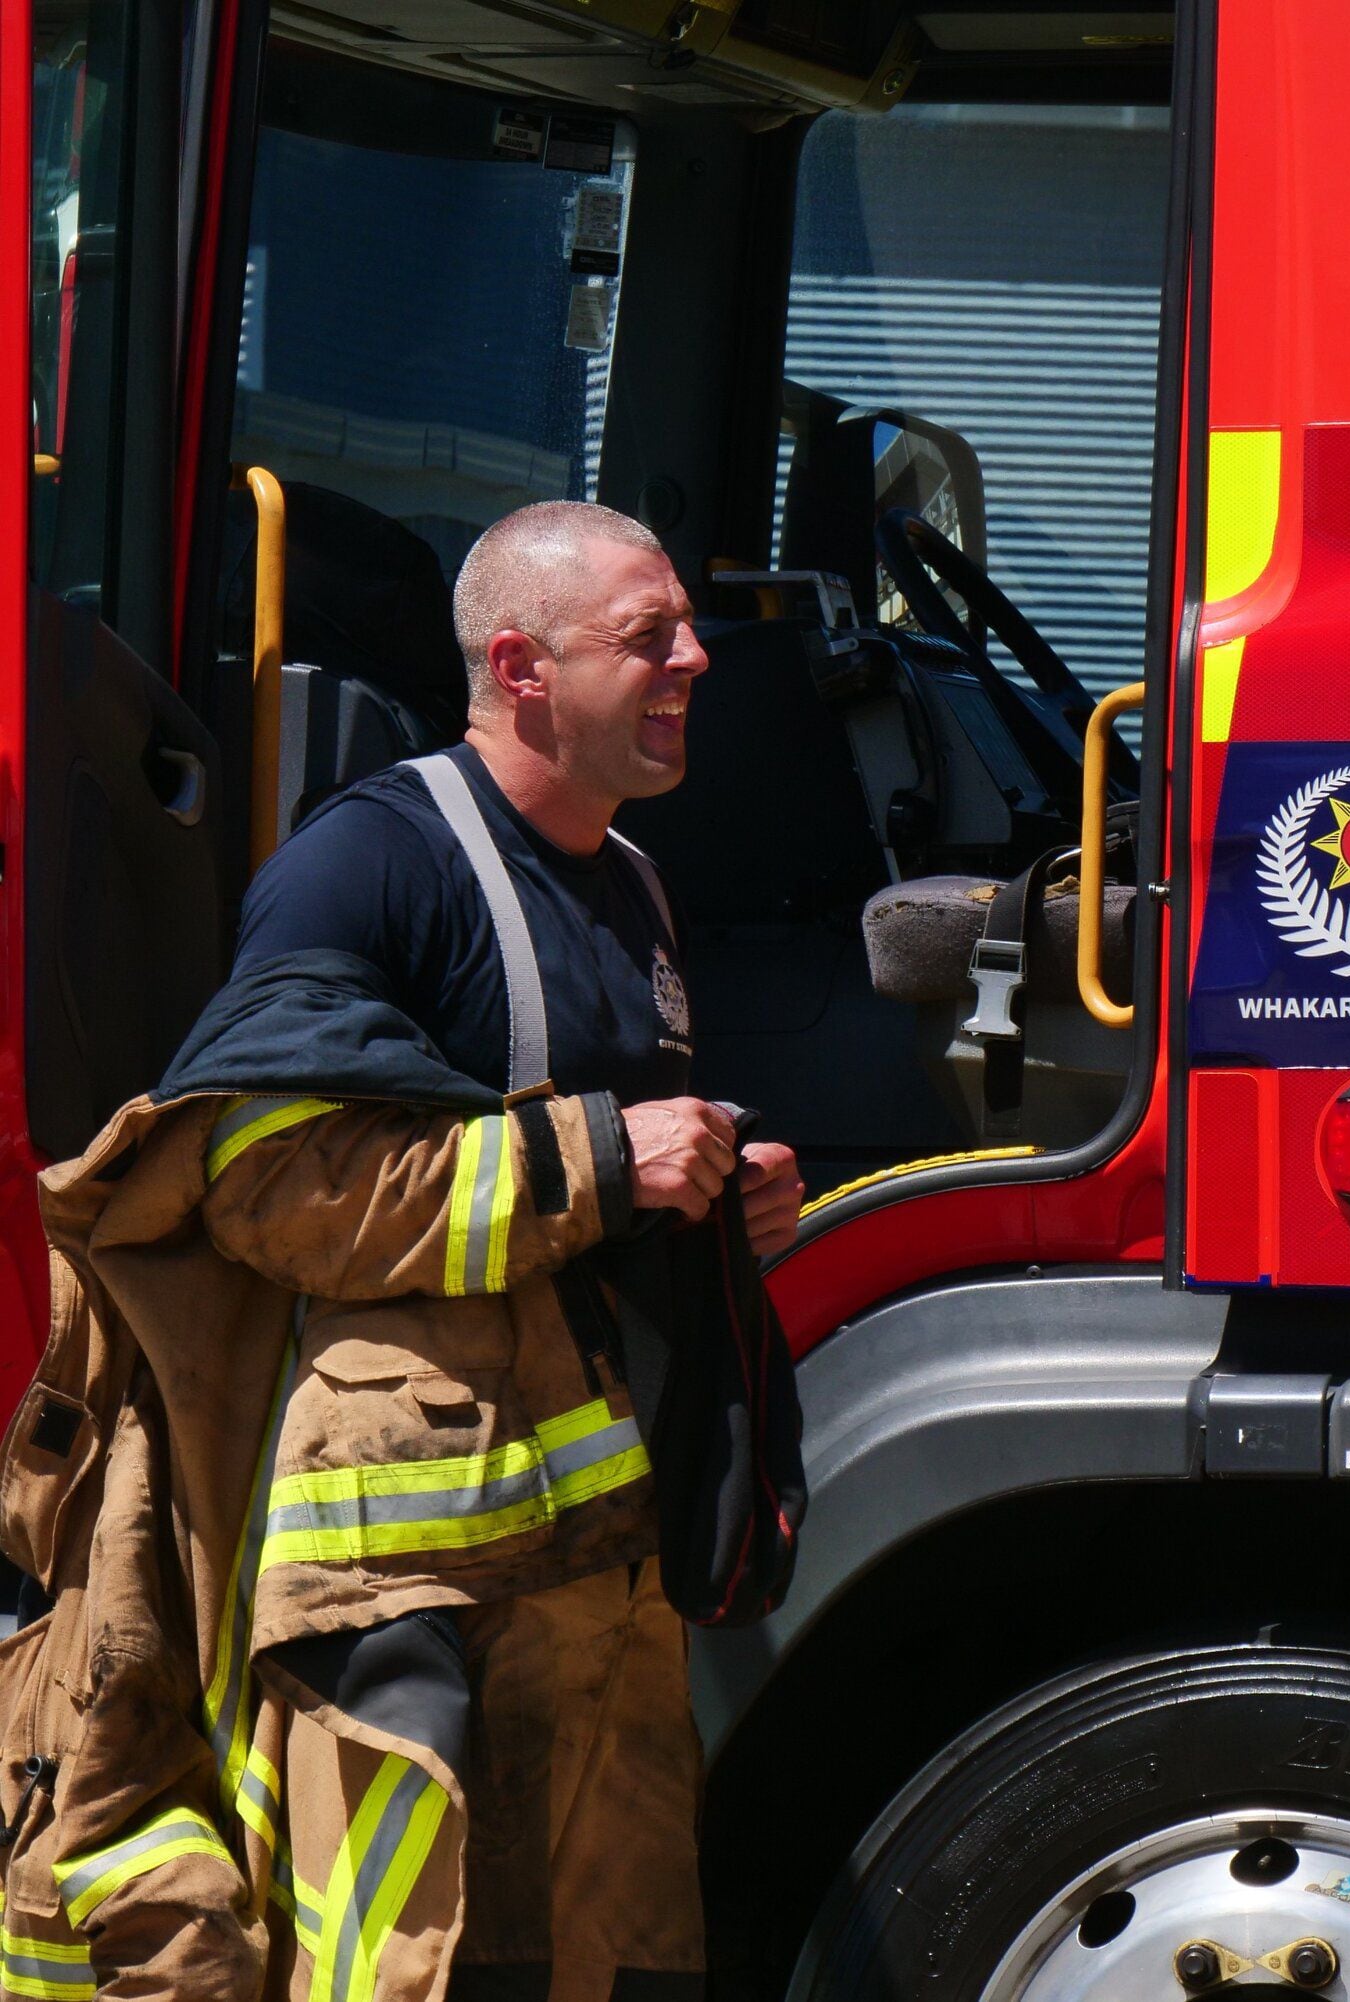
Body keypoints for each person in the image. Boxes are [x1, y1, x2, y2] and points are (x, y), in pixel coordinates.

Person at [0, 501, 800, 2001]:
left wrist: (721, 1198)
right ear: (522, 664)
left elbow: (609, 1191)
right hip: (393, 1579)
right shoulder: (366, 865)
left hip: (584, 1567)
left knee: (604, 1961)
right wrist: (604, 1161)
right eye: (652, 635)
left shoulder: (632, 884)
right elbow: (257, 1177)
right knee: (398, 1962)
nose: (698, 658)